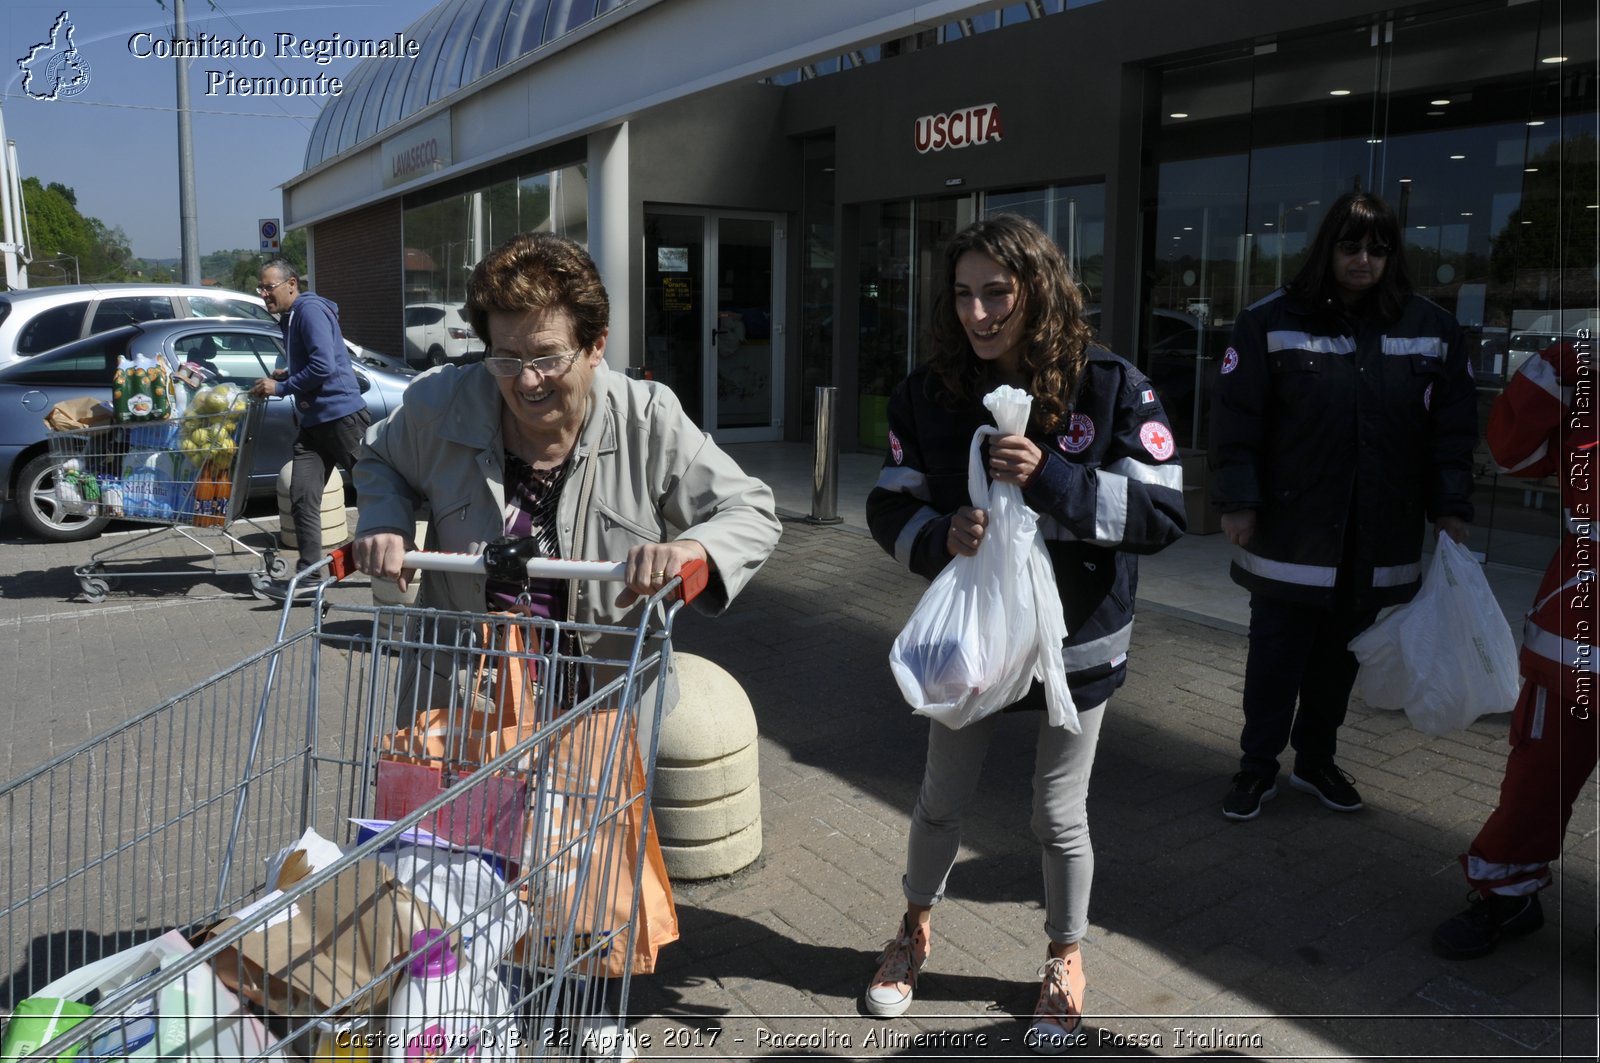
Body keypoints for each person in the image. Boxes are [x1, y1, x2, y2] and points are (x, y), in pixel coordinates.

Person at [863, 215, 1185, 1053]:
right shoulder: (928, 393)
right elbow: (888, 504)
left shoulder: (1112, 385)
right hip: (973, 646)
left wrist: (1056, 479)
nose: (978, 313)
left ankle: (1064, 955)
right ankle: (913, 928)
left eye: (997, 292)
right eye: (964, 294)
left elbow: (1163, 512)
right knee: (942, 798)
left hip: (1077, 646)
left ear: (1038, 287)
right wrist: (941, 537)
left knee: (1057, 814)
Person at [351, 231, 782, 706]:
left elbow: (751, 510)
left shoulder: (648, 419)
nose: (528, 380)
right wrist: (385, 521)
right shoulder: (443, 405)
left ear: (596, 346)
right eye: (506, 358)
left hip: (605, 709)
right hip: (463, 707)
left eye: (548, 356)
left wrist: (691, 547)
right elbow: (379, 460)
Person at [1210, 191, 1477, 821]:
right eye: (1351, 246)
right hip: (1289, 531)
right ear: (1327, 247)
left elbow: (1453, 431)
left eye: (1377, 249)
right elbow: (1237, 422)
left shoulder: (1431, 330)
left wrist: (1452, 509)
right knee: (1275, 657)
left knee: (1340, 660)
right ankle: (1256, 768)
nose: (1363, 260)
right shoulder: (1269, 321)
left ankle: (1316, 760)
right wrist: (1238, 502)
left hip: (1376, 533)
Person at [1432, 336, 1597, 958]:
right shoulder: (1586, 387)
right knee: (1535, 784)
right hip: (1576, 634)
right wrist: (1559, 365)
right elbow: (1510, 452)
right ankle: (1507, 897)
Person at [249, 257, 370, 598]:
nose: (264, 295)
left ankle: (403, 557)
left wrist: (282, 387)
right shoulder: (291, 317)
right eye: (261, 288)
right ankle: (310, 577)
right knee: (302, 496)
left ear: (291, 285)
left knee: (377, 490)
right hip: (314, 424)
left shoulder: (310, 310)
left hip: (342, 419)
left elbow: (323, 365)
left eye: (269, 287)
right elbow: (313, 362)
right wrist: (288, 373)